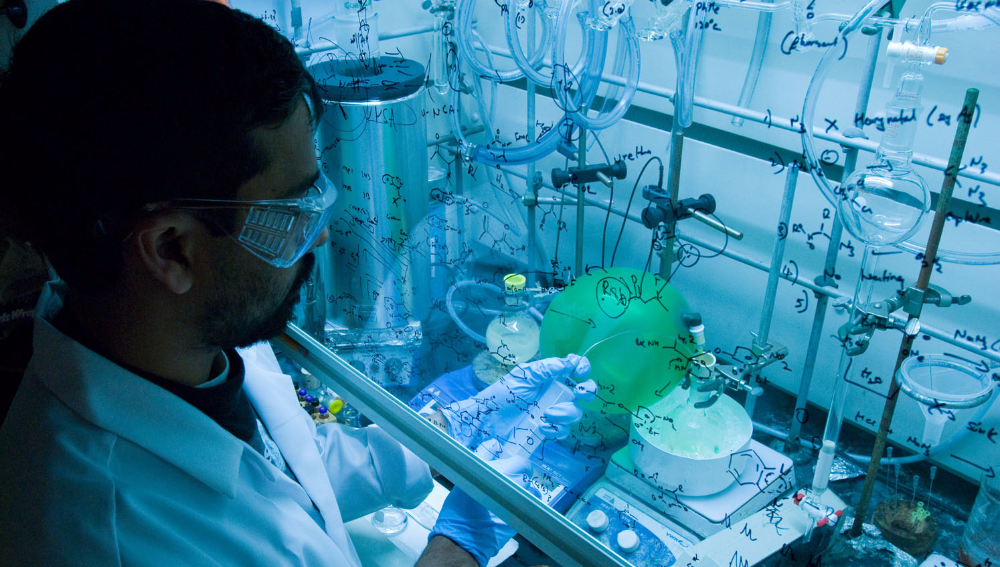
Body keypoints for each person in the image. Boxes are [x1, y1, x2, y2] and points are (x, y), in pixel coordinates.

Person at [0, 1, 593, 565]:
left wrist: (447, 432)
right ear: (171, 250)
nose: (322, 237)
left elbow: (291, 470)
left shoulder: (198, 343)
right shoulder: (105, 534)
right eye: (290, 213)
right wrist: (456, 548)